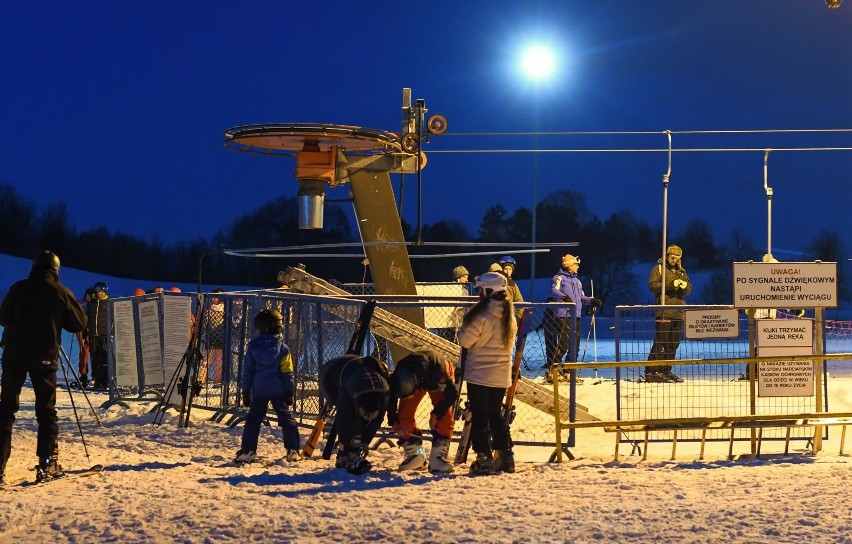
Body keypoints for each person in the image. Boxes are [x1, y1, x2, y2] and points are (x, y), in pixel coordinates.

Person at [0, 250, 88, 484]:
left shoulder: (19, 288)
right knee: (46, 412)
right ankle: (46, 463)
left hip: (14, 355)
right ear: (56, 270)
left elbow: (3, 317)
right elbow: (79, 323)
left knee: (6, 411)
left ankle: (0, 466)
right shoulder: (60, 292)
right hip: (44, 356)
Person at [457, 272, 518, 475]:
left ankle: (484, 459)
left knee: (480, 418)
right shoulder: (509, 314)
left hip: (480, 375)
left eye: (481, 291)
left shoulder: (482, 314)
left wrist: (462, 327)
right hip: (501, 375)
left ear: (489, 290)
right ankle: (505, 456)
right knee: (496, 415)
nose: (478, 295)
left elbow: (466, 340)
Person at [235, 309, 301, 463]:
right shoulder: (283, 348)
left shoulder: (252, 347)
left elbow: (248, 371)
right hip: (278, 389)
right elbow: (287, 372)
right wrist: (289, 391)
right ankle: (293, 450)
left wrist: (246, 392)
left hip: (259, 390)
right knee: (286, 419)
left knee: (253, 420)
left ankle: (248, 451)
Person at [387, 351, 458, 473]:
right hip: (416, 374)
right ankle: (417, 456)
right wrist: (394, 421)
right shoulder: (399, 373)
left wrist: (436, 414)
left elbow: (451, 395)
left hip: (434, 374)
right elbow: (391, 397)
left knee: (444, 417)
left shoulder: (439, 372)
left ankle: (438, 457)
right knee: (403, 416)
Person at [319, 354, 389, 475]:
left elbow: (377, 421)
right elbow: (343, 421)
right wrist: (345, 448)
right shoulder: (347, 394)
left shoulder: (383, 396)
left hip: (358, 369)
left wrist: (366, 441)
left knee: (357, 423)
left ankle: (351, 452)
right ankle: (346, 454)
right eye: (364, 414)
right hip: (331, 371)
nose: (367, 417)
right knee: (349, 420)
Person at [546, 254, 602, 371]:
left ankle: (568, 370)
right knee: (564, 344)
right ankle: (554, 369)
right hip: (563, 315)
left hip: (576, 316)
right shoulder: (559, 278)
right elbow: (553, 291)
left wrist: (592, 300)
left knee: (575, 346)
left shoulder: (577, 282)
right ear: (569, 265)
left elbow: (581, 298)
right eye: (576, 265)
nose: (578, 267)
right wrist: (564, 296)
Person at [645, 244, 691, 383]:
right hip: (664, 311)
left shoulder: (682, 272)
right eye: (672, 257)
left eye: (676, 257)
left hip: (679, 313)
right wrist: (672, 284)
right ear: (667, 256)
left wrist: (684, 287)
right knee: (661, 342)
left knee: (673, 343)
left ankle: (666, 370)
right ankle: (652, 371)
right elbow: (652, 286)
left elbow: (689, 289)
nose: (674, 259)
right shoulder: (658, 269)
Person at [86, 281, 110, 390]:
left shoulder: (108, 303)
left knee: (103, 357)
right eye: (98, 292)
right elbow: (87, 317)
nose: (100, 293)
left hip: (103, 334)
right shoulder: (92, 303)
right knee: (94, 358)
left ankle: (104, 380)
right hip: (93, 334)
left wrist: (111, 331)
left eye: (102, 292)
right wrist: (85, 332)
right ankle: (96, 379)